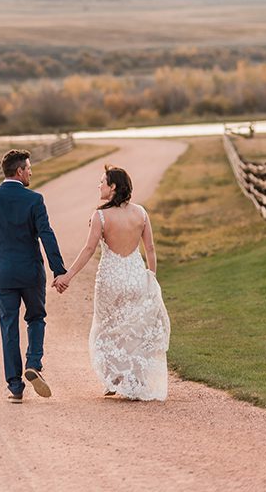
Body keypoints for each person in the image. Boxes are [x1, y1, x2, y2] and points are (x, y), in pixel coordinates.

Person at [54, 165, 170, 401]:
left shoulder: (101, 216)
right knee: (134, 329)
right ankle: (135, 380)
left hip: (111, 279)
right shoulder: (141, 213)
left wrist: (68, 276)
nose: (99, 186)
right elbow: (150, 248)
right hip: (136, 276)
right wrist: (151, 276)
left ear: (113, 187)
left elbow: (88, 249)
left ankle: (114, 379)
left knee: (107, 328)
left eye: (102, 182)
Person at [0, 149, 68, 403]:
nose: (31, 172)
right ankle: (34, 362)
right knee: (36, 317)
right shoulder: (34, 200)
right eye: (28, 168)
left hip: (4, 274)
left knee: (8, 326)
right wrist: (58, 269)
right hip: (31, 272)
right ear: (19, 171)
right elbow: (47, 235)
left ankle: (15, 387)